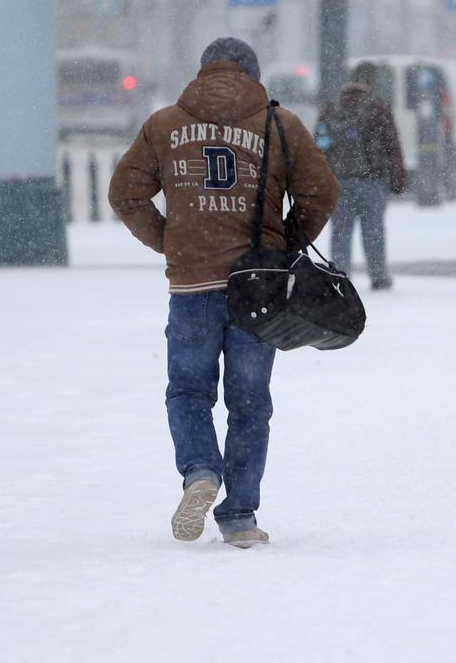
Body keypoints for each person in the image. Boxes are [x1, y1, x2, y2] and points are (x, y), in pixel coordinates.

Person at [108, 37, 339, 548]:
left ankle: (200, 472)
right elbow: (321, 192)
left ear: (204, 72)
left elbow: (125, 192)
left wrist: (169, 239)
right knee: (249, 401)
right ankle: (239, 517)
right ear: (253, 75)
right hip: (256, 286)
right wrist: (284, 243)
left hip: (192, 284)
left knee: (189, 391)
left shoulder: (165, 124)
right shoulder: (280, 125)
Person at [315, 61, 407, 290]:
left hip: (338, 181)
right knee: (373, 230)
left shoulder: (331, 107)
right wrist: (398, 176)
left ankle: (340, 275)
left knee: (341, 231)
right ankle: (378, 276)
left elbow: (317, 145)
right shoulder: (378, 107)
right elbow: (392, 145)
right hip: (371, 180)